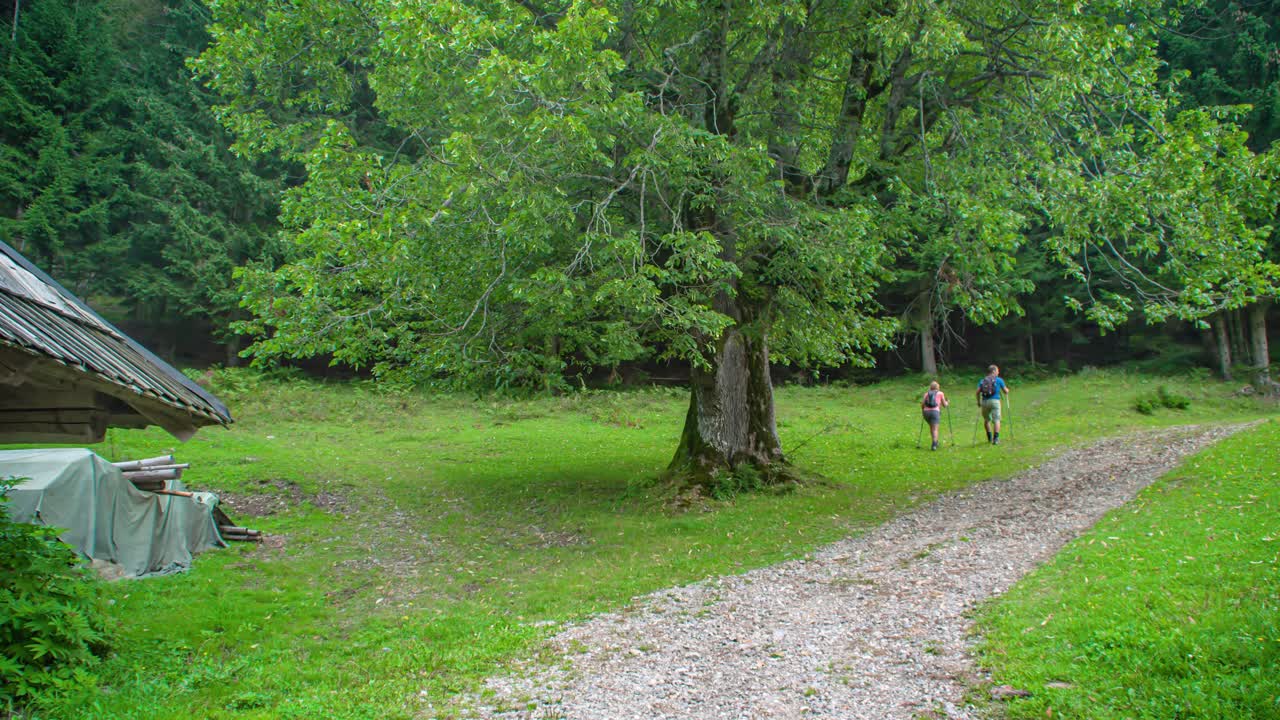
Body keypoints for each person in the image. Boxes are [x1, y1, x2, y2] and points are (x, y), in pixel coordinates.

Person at [976, 364, 1010, 445]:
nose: (998, 372)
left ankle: (989, 437)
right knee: (997, 420)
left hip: (985, 402)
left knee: (987, 420)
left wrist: (978, 402)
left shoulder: (982, 381)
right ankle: (996, 439)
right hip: (995, 402)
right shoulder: (999, 380)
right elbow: (1005, 391)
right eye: (997, 370)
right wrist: (1007, 390)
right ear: (994, 371)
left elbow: (977, 392)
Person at [920, 381, 949, 450]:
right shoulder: (940, 393)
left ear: (930, 387)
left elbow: (922, 405)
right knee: (935, 429)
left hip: (926, 413)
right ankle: (934, 445)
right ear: (937, 387)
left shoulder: (926, 394)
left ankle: (935, 442)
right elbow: (944, 405)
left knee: (931, 427)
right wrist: (948, 402)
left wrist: (924, 410)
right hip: (935, 412)